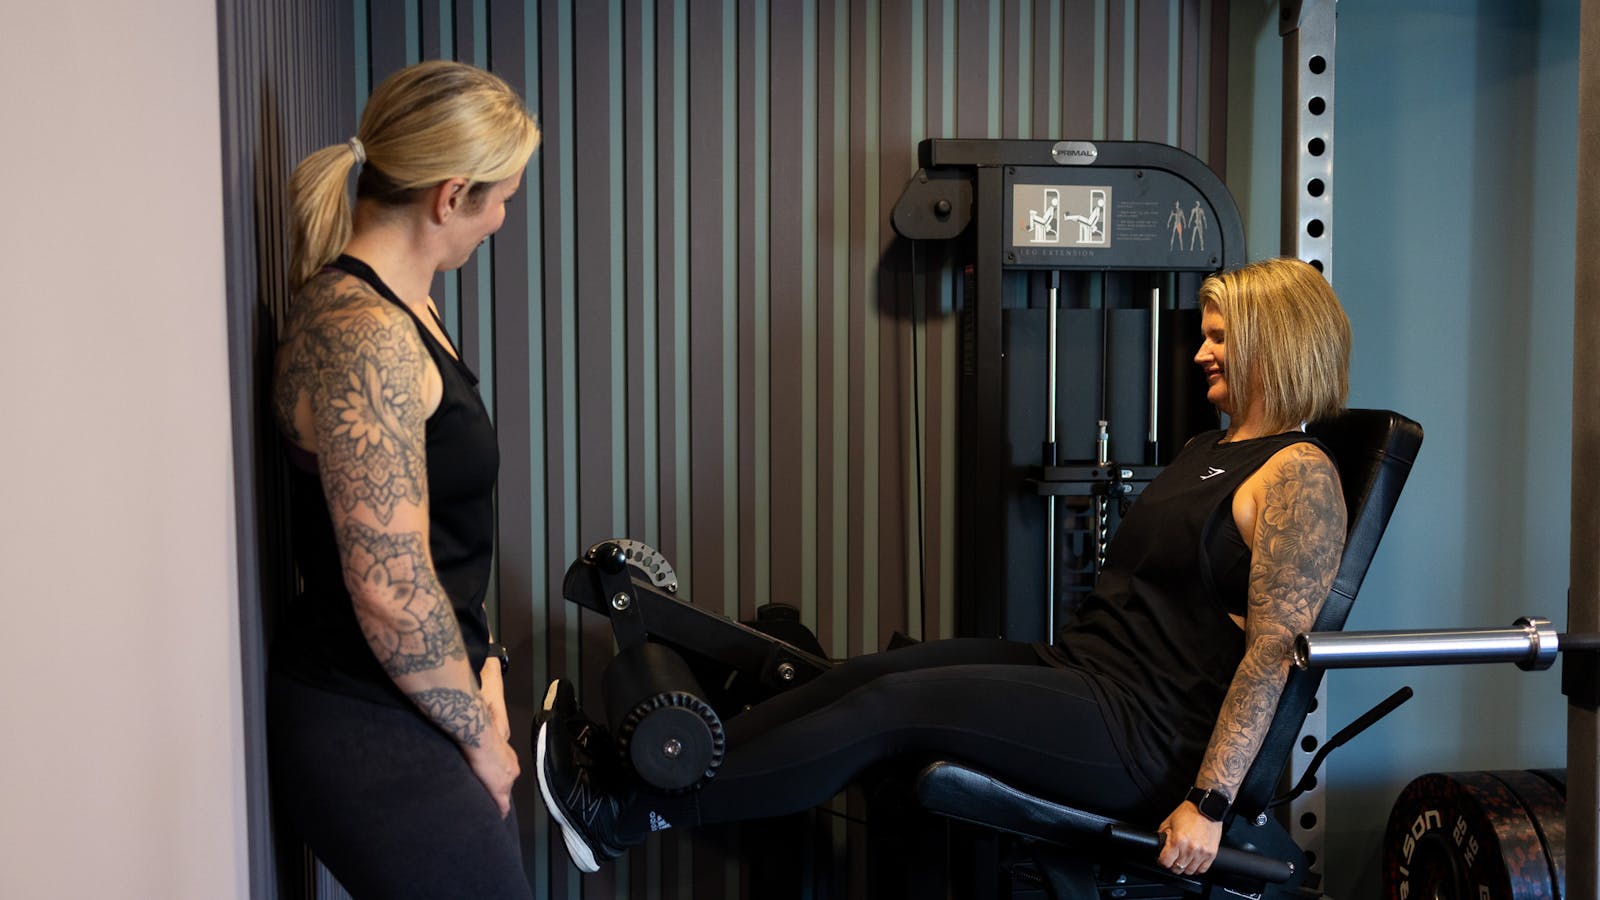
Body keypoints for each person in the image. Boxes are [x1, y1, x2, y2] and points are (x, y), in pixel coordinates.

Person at [536, 256, 1352, 880]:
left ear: (1273, 342)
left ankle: (624, 813)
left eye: (1219, 336)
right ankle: (629, 763)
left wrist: (1208, 804)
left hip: (1145, 737)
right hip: (1088, 674)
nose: (1202, 351)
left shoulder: (1299, 475)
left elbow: (1273, 656)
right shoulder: (1209, 449)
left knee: (894, 706)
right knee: (868, 675)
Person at [267, 60, 540, 899]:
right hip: (369, 716)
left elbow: (448, 541)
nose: (500, 221)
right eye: (500, 199)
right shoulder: (364, 336)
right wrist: (485, 743)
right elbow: (389, 587)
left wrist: (483, 667)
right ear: (450, 196)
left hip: (425, 696)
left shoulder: (403, 310)